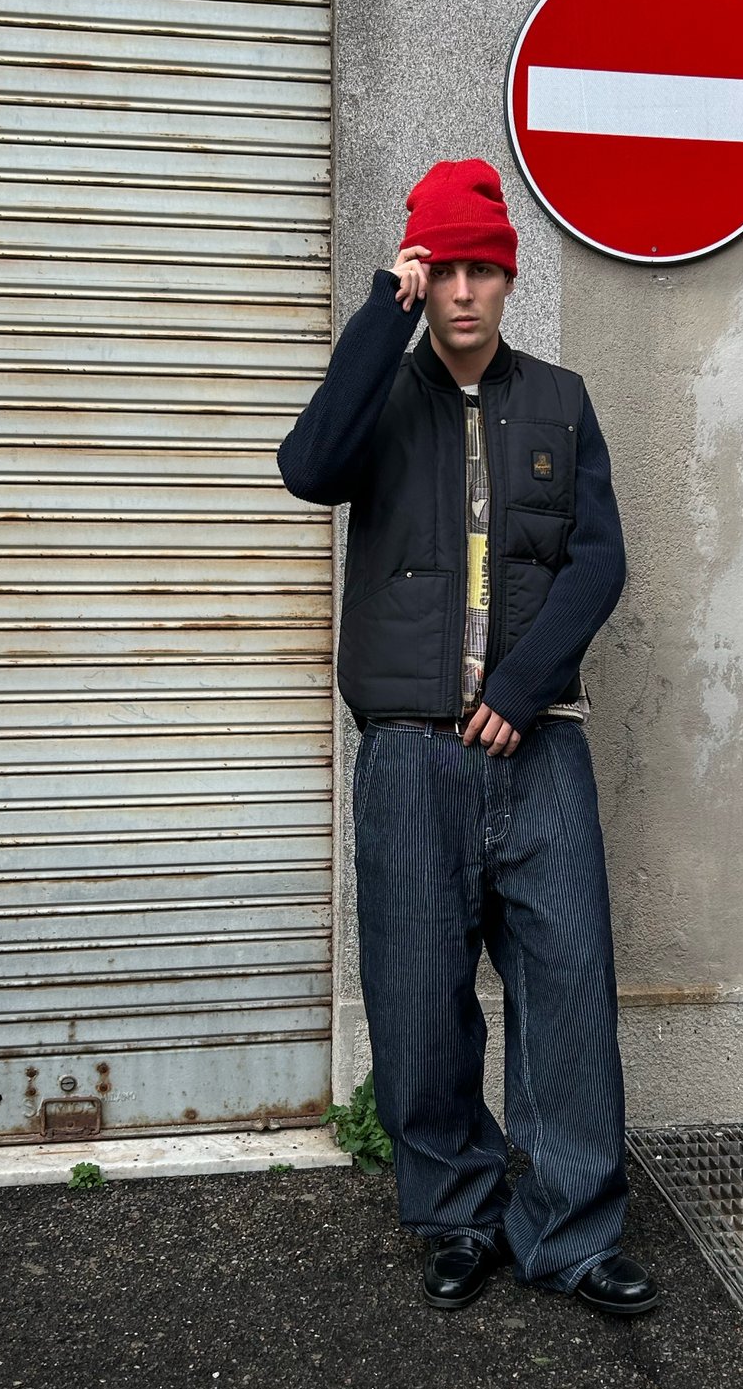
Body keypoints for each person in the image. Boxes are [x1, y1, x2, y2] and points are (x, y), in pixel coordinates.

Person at [277, 158, 657, 1316]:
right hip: (409, 749)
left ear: (507, 277)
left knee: (567, 982)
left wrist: (530, 683)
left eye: (481, 268)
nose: (461, 291)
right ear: (418, 274)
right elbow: (307, 468)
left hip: (536, 746)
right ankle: (457, 1212)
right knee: (415, 991)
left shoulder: (561, 399)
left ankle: (573, 1231)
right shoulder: (378, 395)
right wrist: (373, 318)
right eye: (441, 269)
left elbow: (598, 557)